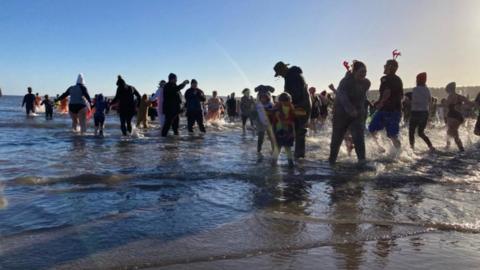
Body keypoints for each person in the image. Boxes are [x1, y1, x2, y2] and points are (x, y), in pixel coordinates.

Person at [328, 61, 371, 165]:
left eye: (365, 72)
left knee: (359, 137)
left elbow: (361, 99)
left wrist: (361, 114)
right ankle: (331, 161)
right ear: (354, 71)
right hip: (341, 114)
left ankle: (362, 162)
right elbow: (342, 97)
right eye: (361, 72)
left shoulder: (366, 83)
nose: (363, 74)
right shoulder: (345, 82)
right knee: (336, 139)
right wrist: (350, 109)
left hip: (356, 114)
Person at [273, 61, 312, 158]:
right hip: (303, 104)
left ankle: (299, 157)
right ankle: (299, 156)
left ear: (283, 69)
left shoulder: (292, 77)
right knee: (299, 130)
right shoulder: (292, 75)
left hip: (301, 106)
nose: (280, 76)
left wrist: (284, 103)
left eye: (280, 73)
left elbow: (295, 95)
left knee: (300, 131)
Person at [368, 59, 404, 151]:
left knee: (372, 129)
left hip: (386, 110)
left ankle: (380, 148)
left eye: (386, 65)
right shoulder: (398, 79)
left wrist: (380, 103)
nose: (384, 67)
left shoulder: (385, 78)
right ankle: (398, 153)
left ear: (390, 67)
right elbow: (398, 95)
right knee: (393, 135)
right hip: (396, 110)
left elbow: (387, 92)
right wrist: (379, 101)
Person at [409, 72, 435, 151]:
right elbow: (430, 101)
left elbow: (414, 100)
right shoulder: (427, 90)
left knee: (411, 132)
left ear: (418, 80)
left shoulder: (415, 89)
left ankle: (412, 148)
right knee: (421, 133)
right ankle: (430, 146)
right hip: (424, 112)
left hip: (415, 112)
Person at [444, 82, 471, 151]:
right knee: (450, 132)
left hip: (452, 116)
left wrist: (445, 117)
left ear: (449, 89)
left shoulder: (450, 96)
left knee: (454, 134)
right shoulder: (459, 96)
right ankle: (448, 147)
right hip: (459, 117)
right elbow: (468, 102)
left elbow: (446, 107)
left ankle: (461, 149)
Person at [271, 92, 296, 167]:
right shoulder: (278, 108)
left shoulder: (290, 107)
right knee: (279, 147)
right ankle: (275, 162)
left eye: (288, 101)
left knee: (285, 147)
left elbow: (292, 120)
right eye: (285, 101)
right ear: (281, 101)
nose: (287, 102)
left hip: (286, 130)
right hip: (281, 129)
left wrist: (293, 130)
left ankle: (289, 163)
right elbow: (279, 119)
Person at [253, 85, 275, 161]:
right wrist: (254, 122)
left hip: (269, 123)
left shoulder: (271, 105)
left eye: (264, 97)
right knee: (261, 137)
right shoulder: (257, 105)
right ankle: (259, 150)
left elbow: (274, 113)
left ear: (267, 97)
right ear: (259, 97)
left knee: (271, 137)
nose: (263, 99)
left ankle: (274, 150)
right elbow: (254, 114)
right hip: (260, 123)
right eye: (261, 97)